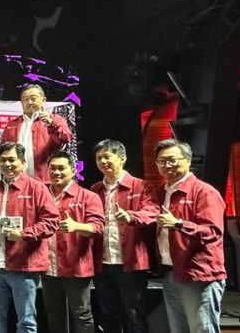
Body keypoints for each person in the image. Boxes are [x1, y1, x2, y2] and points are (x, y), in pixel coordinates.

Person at [0, 142, 60, 333]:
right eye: (2, 160)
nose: (7, 164)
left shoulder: (36, 188)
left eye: (12, 160)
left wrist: (23, 234)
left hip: (24, 268)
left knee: (26, 321)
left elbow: (52, 222)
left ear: (22, 162)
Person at [149, 139, 226, 333]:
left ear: (188, 161)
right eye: (161, 161)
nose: (167, 165)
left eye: (172, 160)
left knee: (202, 329)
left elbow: (212, 232)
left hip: (198, 274)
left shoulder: (204, 192)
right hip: (170, 273)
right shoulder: (161, 192)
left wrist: (178, 223)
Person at [90, 139, 157, 333]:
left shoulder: (141, 186)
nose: (102, 161)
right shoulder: (94, 190)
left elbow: (152, 212)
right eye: (99, 158)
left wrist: (130, 217)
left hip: (131, 262)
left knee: (134, 316)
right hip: (102, 263)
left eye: (107, 156)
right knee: (108, 315)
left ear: (122, 158)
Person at [42, 151, 104, 333]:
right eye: (52, 168)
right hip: (48, 266)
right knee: (54, 313)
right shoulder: (42, 195)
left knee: (82, 314)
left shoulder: (88, 196)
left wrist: (77, 226)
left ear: (73, 170)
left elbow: (99, 227)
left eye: (61, 168)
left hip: (76, 266)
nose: (56, 172)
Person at [0, 84, 73, 181]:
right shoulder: (11, 125)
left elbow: (66, 138)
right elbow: (2, 152)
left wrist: (51, 124)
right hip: (17, 181)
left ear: (43, 100)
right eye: (25, 99)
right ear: (21, 102)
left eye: (33, 98)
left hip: (46, 181)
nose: (29, 102)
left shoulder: (55, 119)